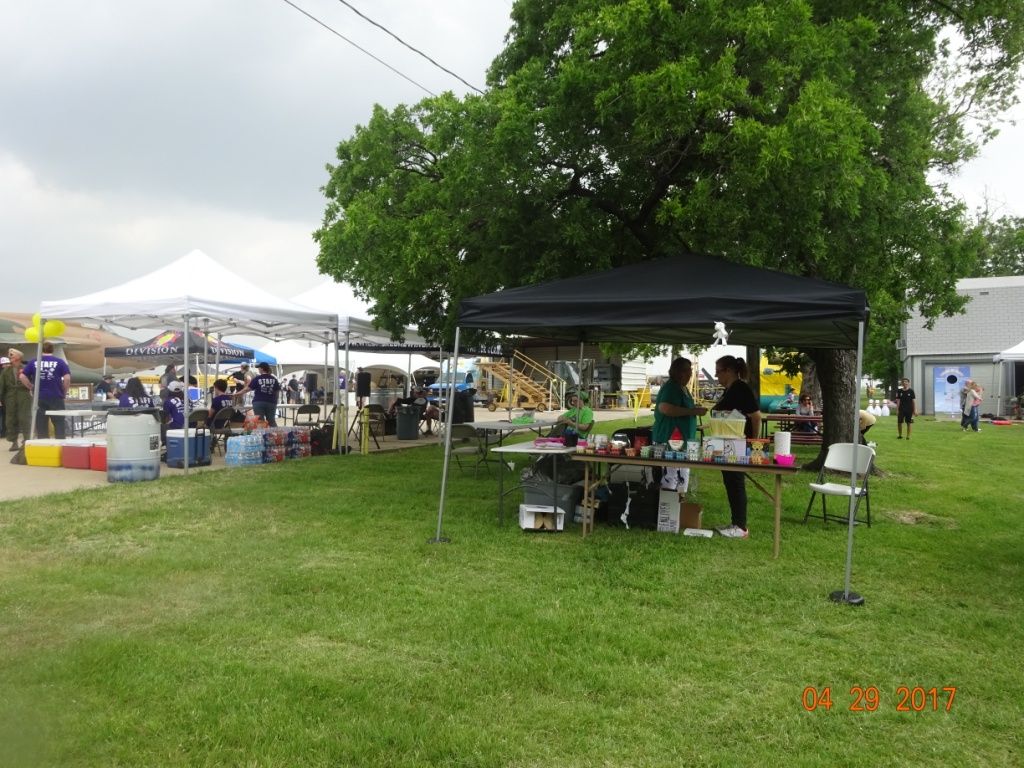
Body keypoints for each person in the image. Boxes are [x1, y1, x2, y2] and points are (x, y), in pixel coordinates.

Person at [711, 355, 761, 539]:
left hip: (738, 445)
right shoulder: (730, 390)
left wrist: (753, 444)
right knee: (731, 482)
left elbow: (756, 417)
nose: (716, 375)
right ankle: (735, 522)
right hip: (726, 444)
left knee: (736, 482)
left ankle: (740, 526)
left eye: (718, 371)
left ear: (729, 370)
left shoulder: (740, 389)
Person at [652, 358, 706, 491]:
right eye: (685, 370)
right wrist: (693, 411)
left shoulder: (683, 388)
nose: (689, 374)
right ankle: (668, 503)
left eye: (690, 370)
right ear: (676, 372)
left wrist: (694, 410)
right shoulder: (671, 387)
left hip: (682, 442)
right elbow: (665, 408)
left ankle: (679, 501)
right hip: (669, 441)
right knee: (671, 477)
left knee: (682, 475)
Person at [19, 341, 72, 440]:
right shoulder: (60, 362)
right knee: (59, 422)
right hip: (56, 396)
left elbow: (22, 377)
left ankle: (43, 444)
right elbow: (67, 378)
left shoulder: (33, 362)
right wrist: (64, 391)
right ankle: (60, 443)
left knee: (41, 423)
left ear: (40, 350)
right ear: (53, 350)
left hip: (39, 397)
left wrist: (32, 387)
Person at [1, 350, 32, 450]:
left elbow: (32, 381)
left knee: (25, 417)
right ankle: (14, 442)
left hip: (24, 394)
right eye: (9, 355)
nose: (9, 356)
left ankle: (26, 440)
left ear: (18, 356)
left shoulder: (26, 368)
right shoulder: (6, 371)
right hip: (10, 396)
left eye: (11, 354)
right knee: (10, 419)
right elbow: (1, 385)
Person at [234, 362, 281, 426]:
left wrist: (238, 393)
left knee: (260, 421)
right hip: (271, 402)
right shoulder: (273, 379)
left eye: (259, 368)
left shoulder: (257, 378)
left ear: (261, 369)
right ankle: (274, 432)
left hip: (259, 401)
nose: (258, 369)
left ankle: (261, 432)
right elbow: (277, 391)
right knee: (271, 421)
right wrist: (275, 399)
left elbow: (248, 388)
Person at [161, 380, 187, 445]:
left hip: (177, 426)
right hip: (190, 425)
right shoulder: (188, 399)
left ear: (169, 390)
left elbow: (165, 416)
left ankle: (165, 444)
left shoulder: (168, 401)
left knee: (161, 425)